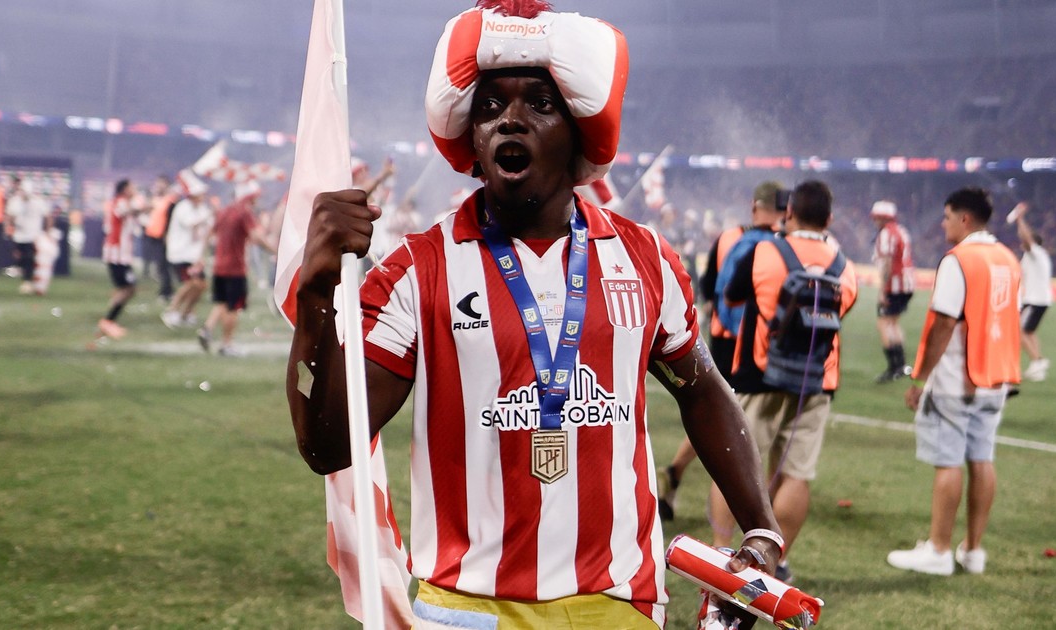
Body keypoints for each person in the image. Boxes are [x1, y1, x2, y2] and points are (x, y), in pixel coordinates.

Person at [286, 3, 783, 627]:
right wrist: (315, 296)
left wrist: (762, 529)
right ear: (472, 139)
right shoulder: (418, 270)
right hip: (466, 609)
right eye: (490, 107)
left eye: (540, 104)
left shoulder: (646, 259)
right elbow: (328, 445)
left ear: (578, 133)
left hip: (618, 606)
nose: (510, 120)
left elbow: (702, 389)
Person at [714, 180, 858, 582]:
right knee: (796, 474)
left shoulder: (765, 250)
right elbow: (841, 310)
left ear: (789, 212)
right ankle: (773, 565)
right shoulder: (844, 265)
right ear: (829, 219)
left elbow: (732, 296)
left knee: (733, 467)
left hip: (759, 373)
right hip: (817, 381)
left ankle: (721, 552)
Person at [889, 187, 1020, 576]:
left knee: (948, 461)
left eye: (947, 217)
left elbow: (945, 322)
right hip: (995, 376)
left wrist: (920, 378)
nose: (943, 223)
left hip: (957, 377)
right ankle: (973, 551)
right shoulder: (1008, 259)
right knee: (982, 458)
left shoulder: (959, 260)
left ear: (964, 218)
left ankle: (939, 550)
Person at [657, 181, 785, 521]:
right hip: (757, 345)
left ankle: (674, 473)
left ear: (755, 206)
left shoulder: (729, 237)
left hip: (721, 339)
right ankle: (752, 503)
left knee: (716, 409)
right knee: (740, 420)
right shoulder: (781, 244)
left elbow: (709, 284)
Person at [197, 180, 274, 357]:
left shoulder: (224, 211)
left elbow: (209, 233)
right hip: (235, 268)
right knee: (234, 308)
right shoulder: (245, 213)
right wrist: (275, 250)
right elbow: (256, 237)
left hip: (219, 266)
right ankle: (227, 344)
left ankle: (207, 329)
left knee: (223, 303)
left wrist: (201, 257)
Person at [869, 200, 916, 383]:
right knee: (893, 324)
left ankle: (894, 367)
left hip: (895, 284)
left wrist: (882, 289)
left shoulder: (886, 234)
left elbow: (887, 263)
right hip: (907, 283)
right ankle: (901, 365)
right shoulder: (901, 230)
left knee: (884, 324)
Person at [162, 171, 214, 328]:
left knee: (201, 285)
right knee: (191, 283)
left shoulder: (202, 209)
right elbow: (191, 223)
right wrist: (210, 214)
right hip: (180, 254)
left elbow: (209, 227)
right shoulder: (182, 208)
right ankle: (171, 311)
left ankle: (186, 312)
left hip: (194, 255)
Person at [98, 179, 144, 340]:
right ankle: (108, 321)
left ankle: (110, 320)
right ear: (125, 189)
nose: (135, 189)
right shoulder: (120, 202)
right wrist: (144, 206)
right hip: (117, 254)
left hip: (121, 254)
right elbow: (129, 211)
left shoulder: (120, 202)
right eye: (132, 187)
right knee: (128, 288)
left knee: (125, 288)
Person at [1011, 202, 1052, 382]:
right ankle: (1039, 362)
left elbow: (1026, 239)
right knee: (1029, 332)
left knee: (1018, 331)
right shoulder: (1038, 256)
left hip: (1035, 300)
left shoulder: (1035, 253)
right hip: (1040, 299)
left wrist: (1020, 219)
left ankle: (1037, 362)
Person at [6, 180, 52, 295]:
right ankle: (25, 276)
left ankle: (27, 280)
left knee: (30, 258)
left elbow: (48, 216)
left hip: (33, 236)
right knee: (20, 258)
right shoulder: (15, 201)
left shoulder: (38, 202)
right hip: (19, 235)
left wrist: (47, 232)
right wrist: (9, 228)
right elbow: (10, 216)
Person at [142, 175, 179, 303]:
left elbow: (171, 219)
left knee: (163, 265)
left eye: (161, 183)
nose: (158, 186)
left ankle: (166, 291)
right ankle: (167, 290)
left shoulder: (171, 200)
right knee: (160, 265)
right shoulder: (156, 199)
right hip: (153, 235)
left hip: (163, 237)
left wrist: (167, 235)